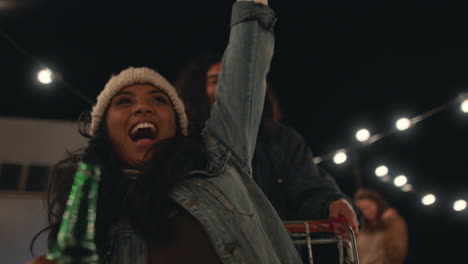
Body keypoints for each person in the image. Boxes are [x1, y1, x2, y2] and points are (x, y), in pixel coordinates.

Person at [28, 0, 304, 263]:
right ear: (104, 131)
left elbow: (246, 64)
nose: (142, 108)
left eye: (159, 100)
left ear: (177, 125)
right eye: (124, 101)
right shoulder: (90, 213)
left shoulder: (218, 158)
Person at [174, 53, 361, 233]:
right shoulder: (185, 142)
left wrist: (332, 203)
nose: (226, 86)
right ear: (198, 91)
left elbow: (307, 185)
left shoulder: (281, 139)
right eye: (215, 81)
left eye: (234, 79)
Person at [354, 188, 408, 264]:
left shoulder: (392, 222)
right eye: (362, 209)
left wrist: (387, 224)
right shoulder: (361, 227)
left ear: (377, 204)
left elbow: (397, 253)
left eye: (368, 207)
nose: (365, 212)